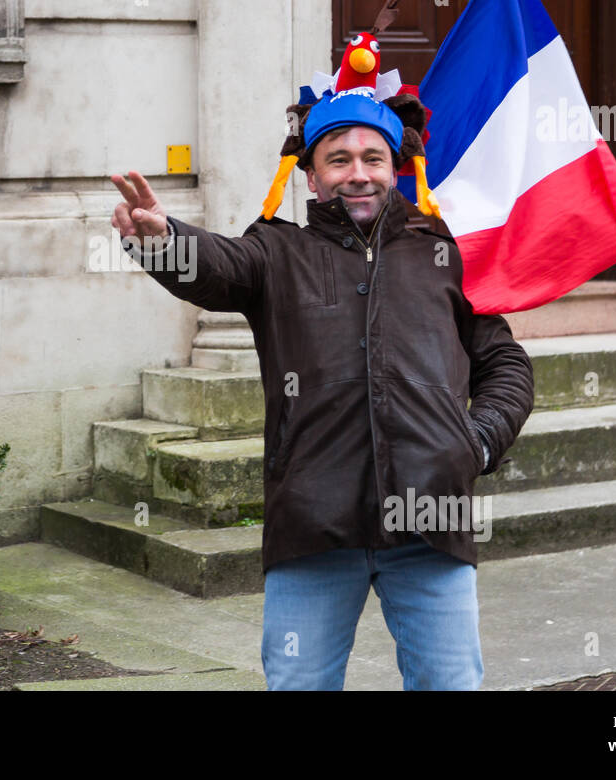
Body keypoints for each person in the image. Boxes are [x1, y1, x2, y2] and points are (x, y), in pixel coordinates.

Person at [110, 78, 533, 691]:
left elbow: (507, 366)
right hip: (312, 523)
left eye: (372, 158)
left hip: (430, 520)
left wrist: (476, 443)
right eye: (338, 160)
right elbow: (217, 266)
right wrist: (164, 244)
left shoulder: (445, 253)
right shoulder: (275, 252)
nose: (356, 174)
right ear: (312, 176)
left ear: (396, 168)